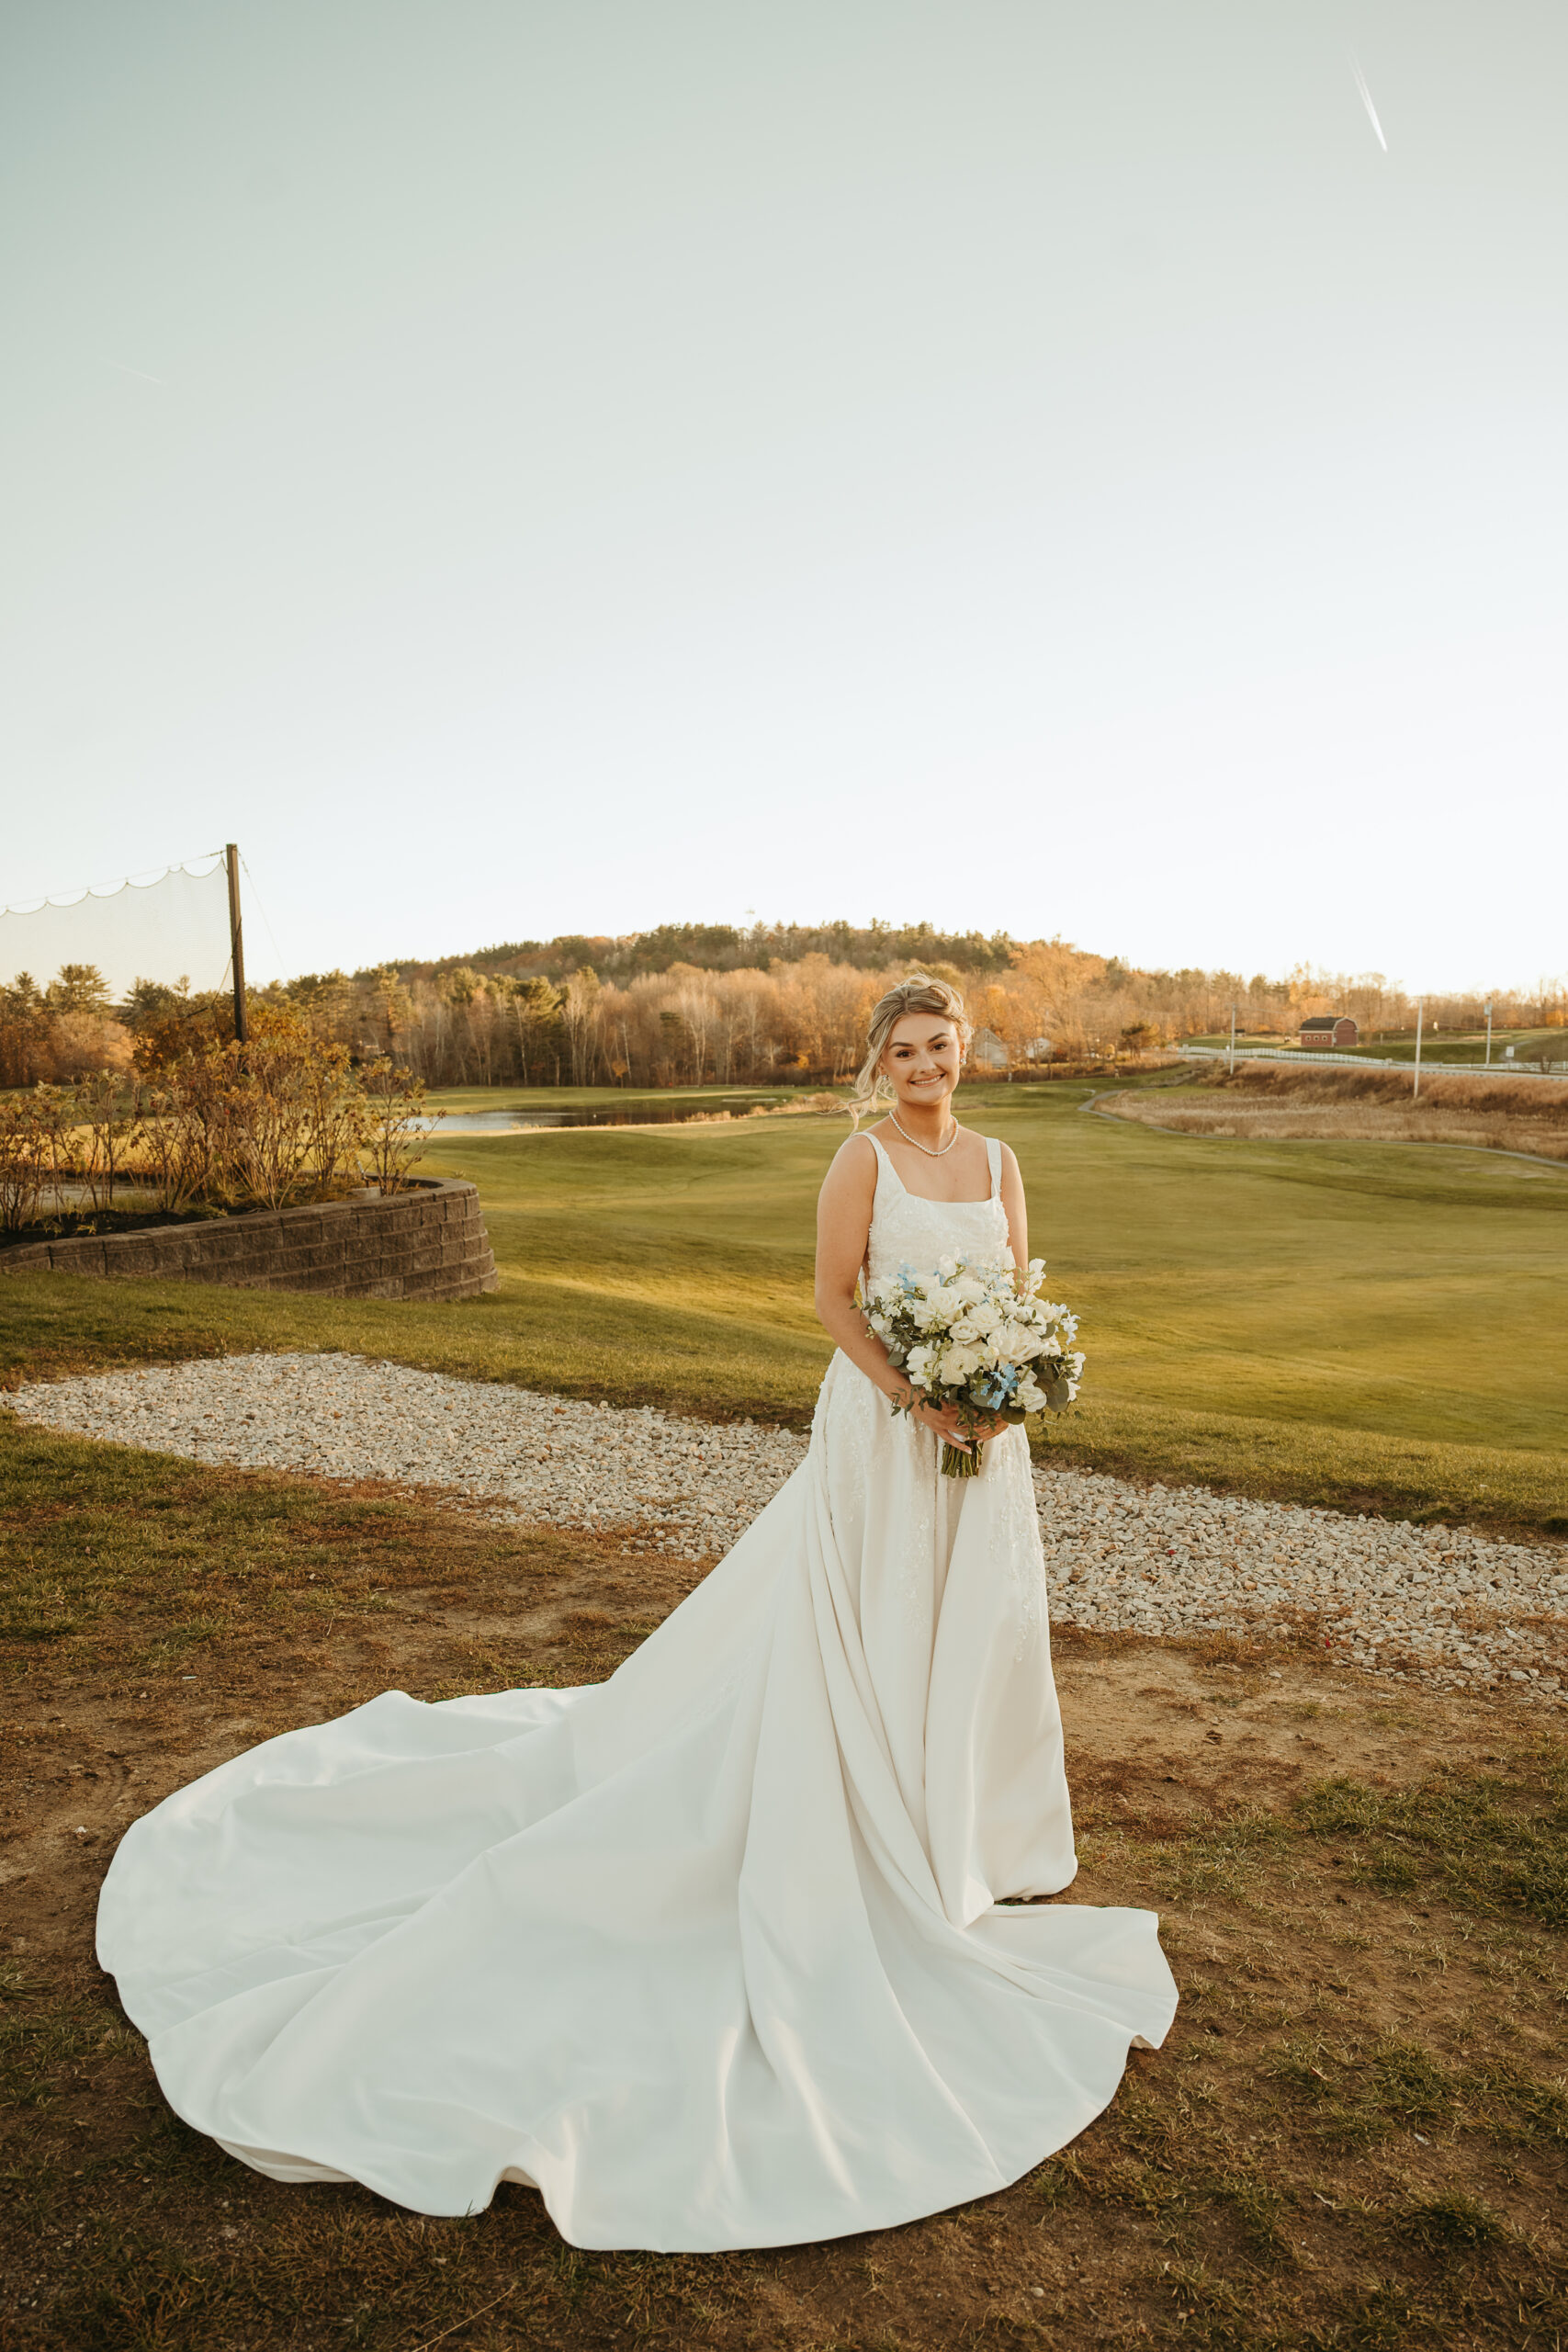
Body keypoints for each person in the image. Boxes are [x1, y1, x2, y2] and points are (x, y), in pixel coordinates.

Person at [96, 973, 1177, 2253]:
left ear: (967, 1055)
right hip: (888, 1435)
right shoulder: (861, 1159)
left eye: (944, 1046)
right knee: (865, 1629)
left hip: (987, 1448)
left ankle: (964, 1831)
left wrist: (1001, 1388)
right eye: (906, 1048)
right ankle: (866, 1815)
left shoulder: (999, 1159)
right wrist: (916, 1395)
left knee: (970, 1625)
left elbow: (1017, 1289)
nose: (927, 1063)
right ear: (879, 1061)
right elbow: (834, 1300)